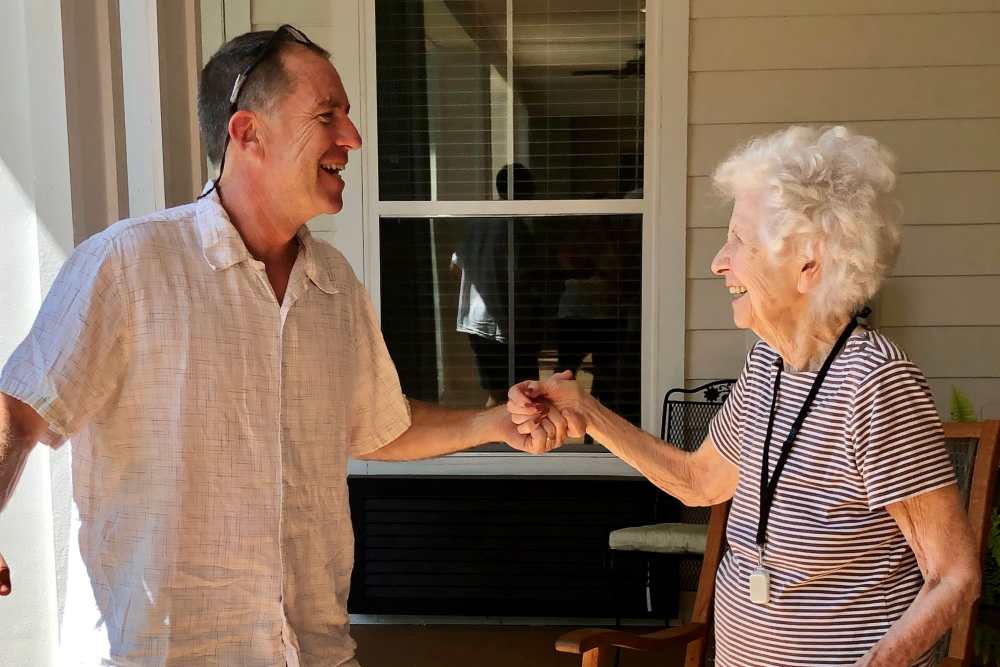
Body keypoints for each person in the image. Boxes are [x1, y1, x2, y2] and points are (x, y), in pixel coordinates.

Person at [0, 26, 570, 666]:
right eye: (328, 116)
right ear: (248, 134)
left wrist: (494, 421)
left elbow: (376, 428)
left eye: (348, 117)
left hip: (311, 648)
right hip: (163, 653)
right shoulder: (129, 264)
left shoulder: (333, 284)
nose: (352, 138)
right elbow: (19, 410)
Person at [509, 126, 980, 666]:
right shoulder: (768, 363)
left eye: (739, 240)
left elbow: (954, 575)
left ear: (808, 263)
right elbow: (700, 480)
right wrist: (586, 412)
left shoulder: (874, 382)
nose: (718, 261)